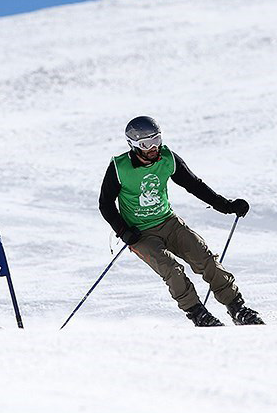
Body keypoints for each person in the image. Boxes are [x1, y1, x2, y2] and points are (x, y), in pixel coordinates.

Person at [98, 116, 263, 326]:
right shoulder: (119, 168)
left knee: (206, 260)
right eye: (147, 144)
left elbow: (194, 185)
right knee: (172, 270)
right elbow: (105, 204)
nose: (153, 148)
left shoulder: (168, 158)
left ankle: (238, 309)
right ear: (134, 145)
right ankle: (198, 315)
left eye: (157, 141)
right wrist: (123, 230)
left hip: (169, 222)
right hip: (139, 233)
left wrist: (226, 206)